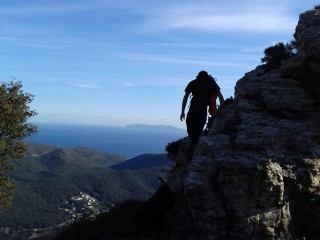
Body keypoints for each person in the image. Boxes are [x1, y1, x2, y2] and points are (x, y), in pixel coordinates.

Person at [180, 70, 224, 144]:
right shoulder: (209, 83)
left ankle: (194, 143)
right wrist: (222, 107)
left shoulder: (203, 82)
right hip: (198, 108)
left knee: (193, 127)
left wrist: (183, 112)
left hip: (197, 108)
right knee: (194, 127)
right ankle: (194, 142)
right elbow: (220, 96)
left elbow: (185, 97)